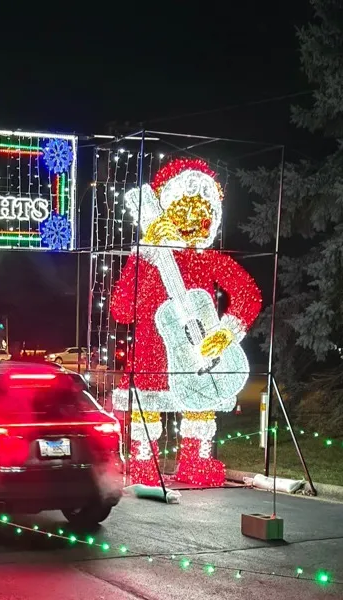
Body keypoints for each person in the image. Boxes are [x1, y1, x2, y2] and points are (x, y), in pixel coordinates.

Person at [110, 158, 261, 487]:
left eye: (201, 212)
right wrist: (148, 257)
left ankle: (196, 460)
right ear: (165, 214)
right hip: (152, 355)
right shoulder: (146, 259)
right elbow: (121, 310)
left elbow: (248, 295)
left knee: (200, 409)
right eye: (183, 211)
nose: (193, 220)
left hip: (198, 357)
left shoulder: (209, 260)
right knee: (146, 414)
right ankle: (143, 461)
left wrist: (225, 333)